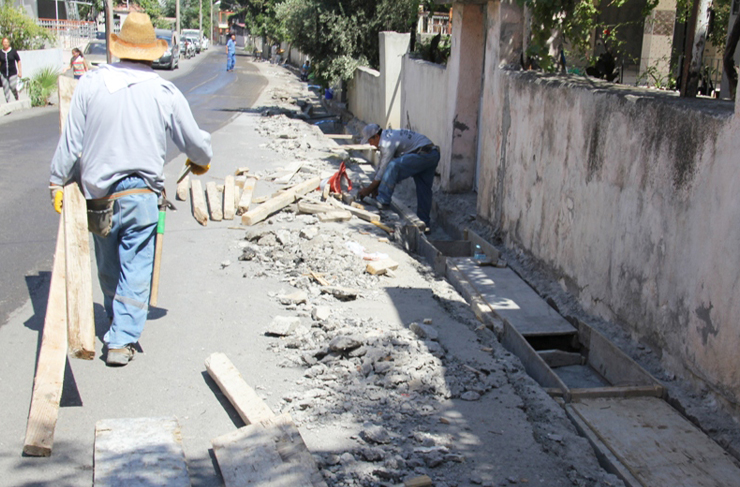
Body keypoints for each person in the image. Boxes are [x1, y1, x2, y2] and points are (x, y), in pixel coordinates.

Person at [48, 12, 212, 366]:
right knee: (135, 266)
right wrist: (201, 159)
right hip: (141, 196)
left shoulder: (91, 83)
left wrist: (56, 180)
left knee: (108, 264)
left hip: (99, 195)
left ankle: (114, 320)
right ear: (152, 52)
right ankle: (121, 339)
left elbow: (71, 142)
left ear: (120, 47)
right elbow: (195, 144)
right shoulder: (163, 91)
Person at [357, 124, 440, 228]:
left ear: (376, 136)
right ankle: (424, 224)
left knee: (393, 166)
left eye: (370, 141)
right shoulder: (388, 137)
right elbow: (380, 166)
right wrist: (374, 187)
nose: (370, 144)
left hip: (423, 154)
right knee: (423, 189)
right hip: (432, 153)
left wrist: (369, 189)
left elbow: (383, 169)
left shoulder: (387, 143)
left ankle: (382, 200)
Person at [1, 37, 22, 103]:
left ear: (9, 43)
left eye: (7, 42)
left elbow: (18, 61)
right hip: (3, 74)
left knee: (12, 86)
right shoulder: (0, 52)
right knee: (5, 88)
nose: (5, 44)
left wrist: (20, 71)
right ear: (2, 43)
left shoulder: (13, 51)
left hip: (12, 73)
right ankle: (8, 102)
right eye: (4, 42)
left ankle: (16, 96)